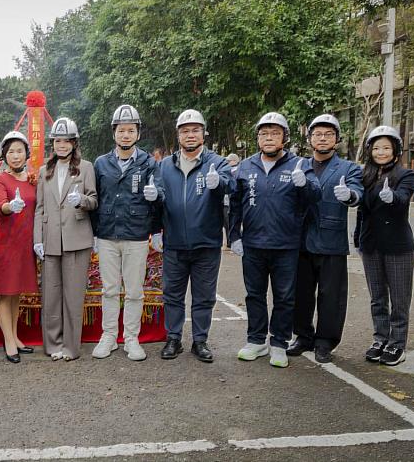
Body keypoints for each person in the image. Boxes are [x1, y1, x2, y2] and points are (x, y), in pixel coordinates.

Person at [229, 112, 321, 368]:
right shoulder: (246, 167)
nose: (269, 138)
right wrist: (234, 235)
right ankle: (256, 340)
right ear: (258, 138)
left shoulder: (300, 165)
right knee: (254, 295)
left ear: (285, 138)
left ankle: (279, 342)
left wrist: (304, 185)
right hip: (253, 244)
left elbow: (316, 196)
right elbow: (235, 204)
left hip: (286, 245)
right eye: (264, 134)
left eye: (275, 133)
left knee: (284, 296)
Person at [154, 109, 234, 362]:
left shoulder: (217, 163)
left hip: (206, 243)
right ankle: (174, 338)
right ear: (178, 135)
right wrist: (155, 225)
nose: (190, 135)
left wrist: (219, 183)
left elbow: (232, 186)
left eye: (195, 130)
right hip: (174, 243)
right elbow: (158, 198)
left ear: (203, 133)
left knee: (204, 296)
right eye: (185, 131)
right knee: (172, 294)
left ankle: (200, 341)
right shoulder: (165, 166)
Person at [289, 114, 363, 363]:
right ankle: (302, 336)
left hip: (331, 241)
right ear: (309, 138)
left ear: (337, 139)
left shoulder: (348, 168)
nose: (322, 138)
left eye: (328, 134)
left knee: (331, 296)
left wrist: (350, 195)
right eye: (318, 134)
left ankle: (325, 342)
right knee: (301, 293)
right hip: (301, 240)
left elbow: (358, 192)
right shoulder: (299, 165)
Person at [91, 105, 161, 362]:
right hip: (108, 235)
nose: (126, 135)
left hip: (136, 236)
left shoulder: (148, 163)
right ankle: (108, 335)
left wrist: (156, 227)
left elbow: (159, 196)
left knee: (134, 291)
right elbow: (95, 199)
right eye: (121, 130)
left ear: (138, 134)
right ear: (114, 133)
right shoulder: (101, 163)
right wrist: (94, 234)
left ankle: (131, 338)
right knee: (109, 289)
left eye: (131, 130)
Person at [34, 117, 98, 361]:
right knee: (51, 296)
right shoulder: (44, 171)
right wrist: (37, 238)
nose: (62, 145)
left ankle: (71, 347)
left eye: (67, 141)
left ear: (74, 143)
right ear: (53, 143)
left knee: (73, 296)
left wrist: (81, 200)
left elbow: (93, 200)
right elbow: (40, 208)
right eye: (58, 141)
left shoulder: (86, 168)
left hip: (76, 238)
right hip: (50, 239)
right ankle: (53, 345)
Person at [354, 126, 414, 367]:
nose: (381, 152)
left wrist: (394, 197)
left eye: (386, 148)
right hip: (371, 245)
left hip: (398, 245)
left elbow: (403, 199)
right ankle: (380, 338)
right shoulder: (366, 176)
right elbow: (362, 212)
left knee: (399, 298)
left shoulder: (405, 175)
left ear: (395, 150)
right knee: (377, 297)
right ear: (370, 150)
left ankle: (397, 343)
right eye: (376, 148)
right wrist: (358, 239)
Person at [0, 131, 39, 363]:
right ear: (4, 155)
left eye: (19, 151)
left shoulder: (32, 178)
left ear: (26, 154)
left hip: (25, 242)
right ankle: (8, 340)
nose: (15, 156)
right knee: (4, 292)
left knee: (16, 292)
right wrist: (10, 206)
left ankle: (15, 336)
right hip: (5, 243)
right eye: (10, 152)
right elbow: (1, 204)